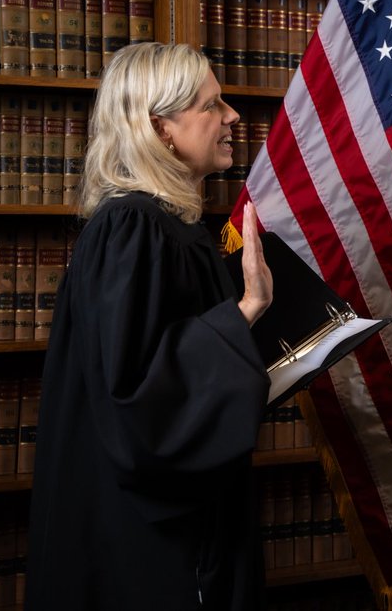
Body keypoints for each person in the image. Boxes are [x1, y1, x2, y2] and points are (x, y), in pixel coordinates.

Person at [26, 42, 273, 610]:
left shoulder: (166, 226)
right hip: (145, 536)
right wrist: (247, 309)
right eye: (213, 105)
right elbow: (137, 397)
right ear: (161, 128)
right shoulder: (133, 228)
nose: (233, 116)